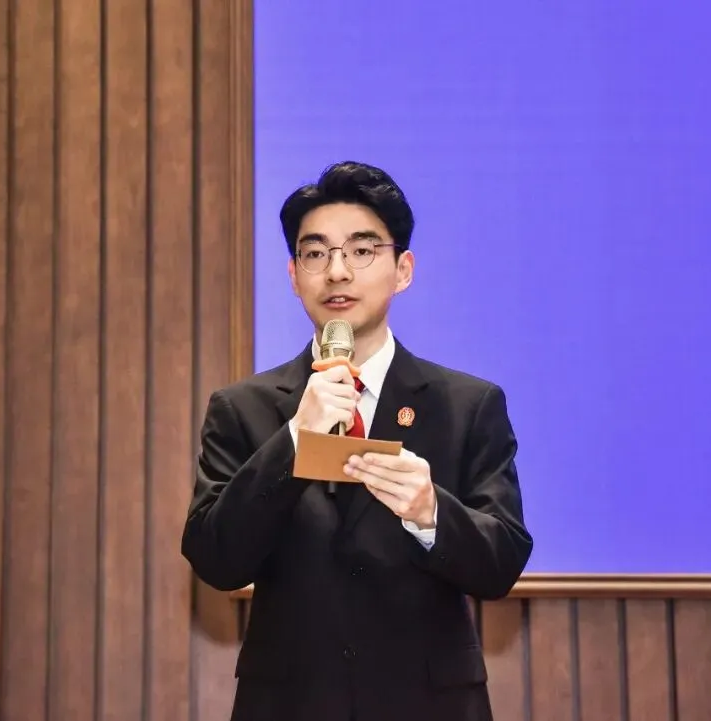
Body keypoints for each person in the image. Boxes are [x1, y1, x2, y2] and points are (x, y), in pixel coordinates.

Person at [181, 161, 532, 721]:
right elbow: (215, 559)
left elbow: (501, 564)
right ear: (294, 275)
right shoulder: (242, 409)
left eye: (362, 251)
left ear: (403, 269)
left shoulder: (468, 405)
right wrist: (294, 440)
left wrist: (431, 512)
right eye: (316, 253)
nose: (337, 272)